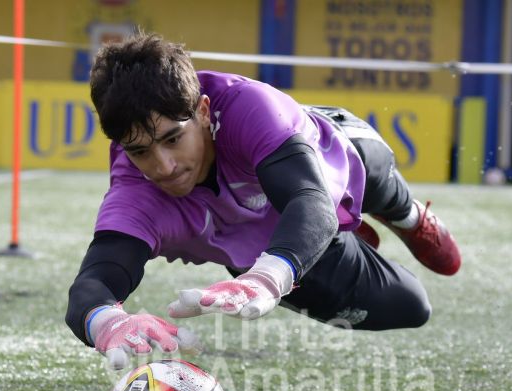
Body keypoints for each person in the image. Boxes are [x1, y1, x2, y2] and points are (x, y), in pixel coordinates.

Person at [65, 32, 461, 369]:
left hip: (330, 157)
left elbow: (310, 199)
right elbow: (97, 278)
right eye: (140, 151)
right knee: (411, 307)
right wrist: (108, 321)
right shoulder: (134, 190)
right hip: (268, 235)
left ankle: (407, 217)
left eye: (172, 139)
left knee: (376, 173)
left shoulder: (248, 107)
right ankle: (337, 241)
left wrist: (268, 277)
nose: (163, 166)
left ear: (203, 111)